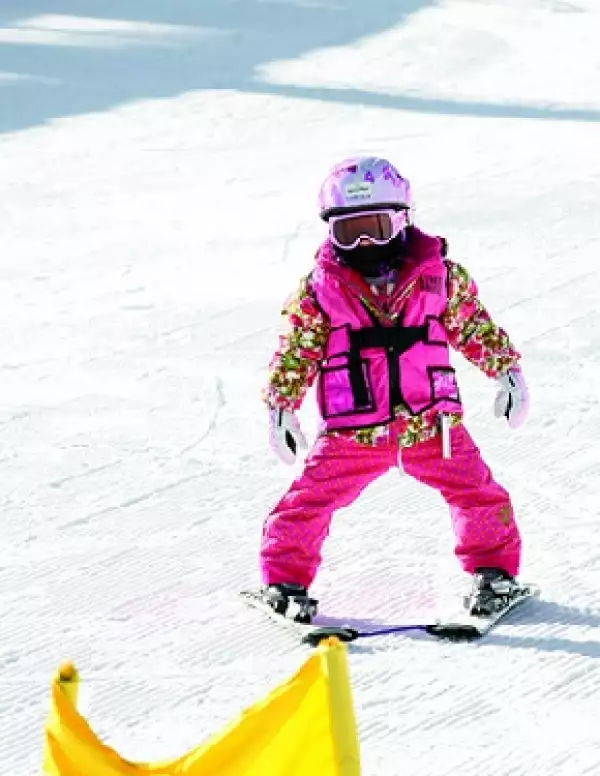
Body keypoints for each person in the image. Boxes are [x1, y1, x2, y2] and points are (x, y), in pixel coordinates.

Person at [258, 156, 530, 624]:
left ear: (402, 220)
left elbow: (472, 326)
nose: (363, 242)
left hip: (431, 424)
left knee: (478, 493)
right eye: (349, 231)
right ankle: (286, 581)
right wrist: (282, 406)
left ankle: (494, 572)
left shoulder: (440, 276)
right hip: (354, 432)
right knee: (308, 501)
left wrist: (506, 370)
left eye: (375, 227)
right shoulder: (320, 290)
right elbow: (296, 349)